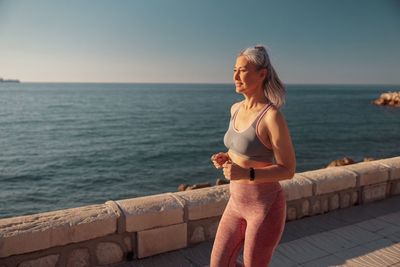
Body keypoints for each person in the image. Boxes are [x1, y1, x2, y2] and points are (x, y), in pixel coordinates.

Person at [209, 45, 296, 267]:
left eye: (243, 70)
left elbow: (288, 169)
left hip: (264, 207)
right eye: (234, 70)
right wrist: (227, 157)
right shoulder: (235, 109)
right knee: (218, 264)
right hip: (236, 203)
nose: (235, 76)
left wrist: (245, 172)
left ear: (262, 74)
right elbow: (241, 150)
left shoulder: (272, 117)